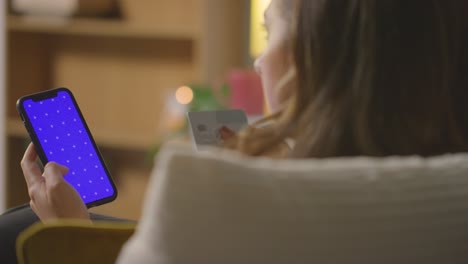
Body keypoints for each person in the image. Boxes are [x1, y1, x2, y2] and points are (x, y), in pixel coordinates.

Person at [2, 0, 468, 262]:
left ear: (321, 56)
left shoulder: (205, 189)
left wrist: (69, 233)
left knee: (18, 228)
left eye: (269, 33)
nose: (261, 61)